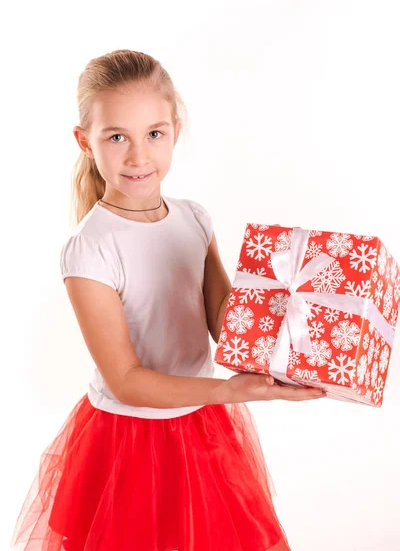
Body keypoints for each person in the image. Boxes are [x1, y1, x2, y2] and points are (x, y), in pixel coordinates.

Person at [10, 49, 326, 551]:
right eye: (117, 137)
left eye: (154, 134)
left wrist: (293, 318)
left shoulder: (193, 220)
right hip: (128, 443)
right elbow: (128, 382)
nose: (139, 156)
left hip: (202, 428)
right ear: (85, 142)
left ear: (175, 131)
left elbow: (226, 325)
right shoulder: (89, 250)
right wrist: (233, 392)